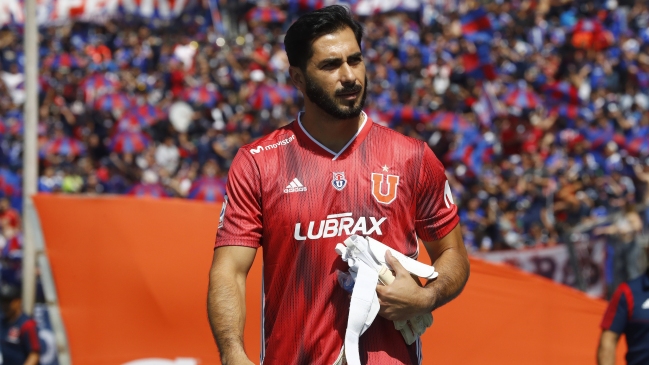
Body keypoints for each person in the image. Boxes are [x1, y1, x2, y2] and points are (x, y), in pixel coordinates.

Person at [207, 5, 470, 364]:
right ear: (298, 79)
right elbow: (230, 270)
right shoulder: (258, 162)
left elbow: (452, 254)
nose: (349, 76)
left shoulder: (412, 156)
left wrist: (426, 297)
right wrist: (232, 353)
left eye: (355, 60)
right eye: (331, 65)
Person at [0, 284, 40, 365]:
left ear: (18, 301)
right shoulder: (2, 321)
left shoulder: (27, 325)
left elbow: (34, 355)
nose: (5, 305)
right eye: (2, 301)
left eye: (8, 302)